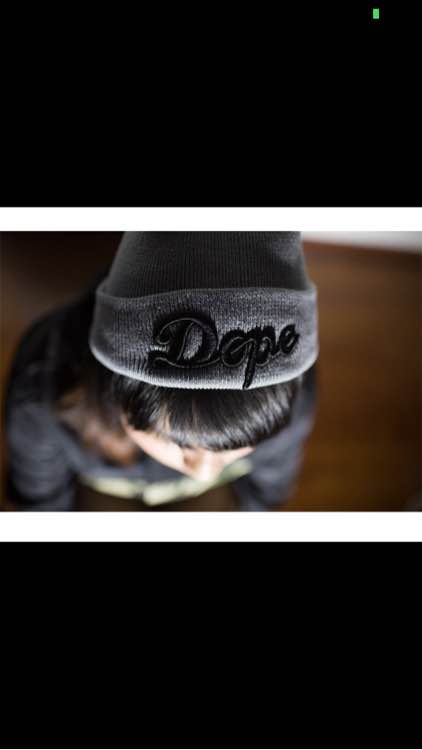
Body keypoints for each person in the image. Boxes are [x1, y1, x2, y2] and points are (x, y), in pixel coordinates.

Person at [3, 232, 319, 511]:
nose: (203, 472)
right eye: (177, 443)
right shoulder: (41, 395)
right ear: (118, 390)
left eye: (235, 445)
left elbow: (265, 492)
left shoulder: (290, 404)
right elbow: (41, 504)